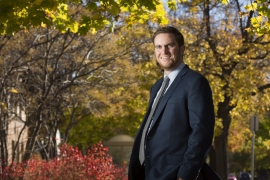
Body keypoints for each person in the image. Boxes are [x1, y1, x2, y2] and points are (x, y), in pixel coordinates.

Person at [128, 26, 215, 180]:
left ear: (182, 49)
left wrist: (185, 175)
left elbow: (202, 132)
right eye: (159, 47)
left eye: (170, 45)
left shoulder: (195, 82)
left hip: (175, 173)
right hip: (149, 172)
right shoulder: (156, 86)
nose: (164, 51)